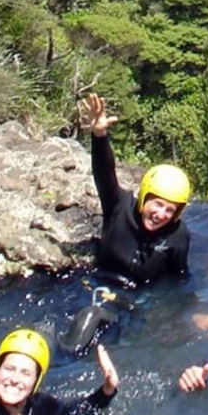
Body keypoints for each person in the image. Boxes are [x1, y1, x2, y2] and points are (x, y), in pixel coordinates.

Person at [79, 93, 191, 289]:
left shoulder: (178, 235)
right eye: (158, 204)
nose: (161, 214)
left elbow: (179, 278)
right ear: (144, 198)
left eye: (170, 210)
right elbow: (104, 174)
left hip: (138, 301)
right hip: (99, 285)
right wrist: (99, 135)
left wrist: (198, 311)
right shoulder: (119, 206)